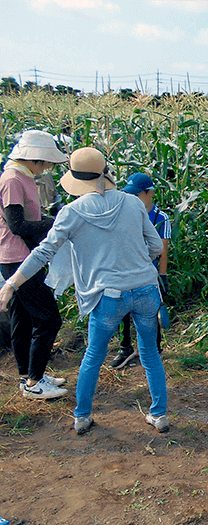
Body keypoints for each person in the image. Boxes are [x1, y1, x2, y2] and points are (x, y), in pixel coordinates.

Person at [0, 147, 168, 434]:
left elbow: (43, 253)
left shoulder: (72, 212)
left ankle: (82, 417)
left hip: (107, 295)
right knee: (150, 352)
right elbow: (155, 246)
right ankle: (159, 415)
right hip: (145, 289)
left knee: (93, 355)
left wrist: (12, 283)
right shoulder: (132, 204)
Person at [0, 130, 68, 400]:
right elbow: (17, 225)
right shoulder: (12, 180)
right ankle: (35, 383)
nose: (48, 167)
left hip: (20, 254)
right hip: (17, 257)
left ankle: (28, 374)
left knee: (23, 318)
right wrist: (57, 222)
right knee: (50, 319)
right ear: (35, 158)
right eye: (46, 162)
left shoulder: (22, 177)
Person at [110, 172, 171, 369]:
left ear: (149, 192)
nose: (133, 198)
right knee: (122, 311)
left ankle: (154, 349)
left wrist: (162, 276)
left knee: (150, 312)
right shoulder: (124, 213)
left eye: (137, 194)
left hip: (148, 274)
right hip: (125, 271)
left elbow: (162, 250)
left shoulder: (160, 217)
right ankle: (125, 348)